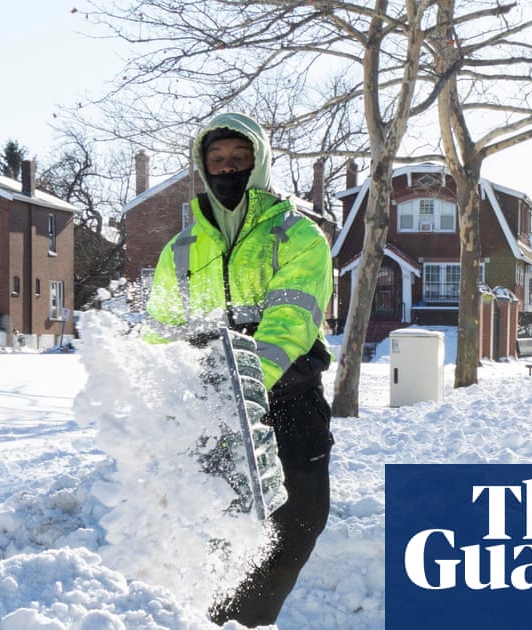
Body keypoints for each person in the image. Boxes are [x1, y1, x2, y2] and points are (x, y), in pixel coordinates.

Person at [143, 112, 334, 626]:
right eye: (217, 159)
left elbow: (290, 322)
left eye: (239, 157)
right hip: (210, 411)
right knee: (216, 530)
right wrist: (169, 405)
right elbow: (160, 335)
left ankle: (247, 621)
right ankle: (208, 618)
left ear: (259, 162)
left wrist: (245, 388)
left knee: (297, 523)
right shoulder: (181, 250)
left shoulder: (296, 235)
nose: (228, 167)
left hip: (289, 404)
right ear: (203, 168)